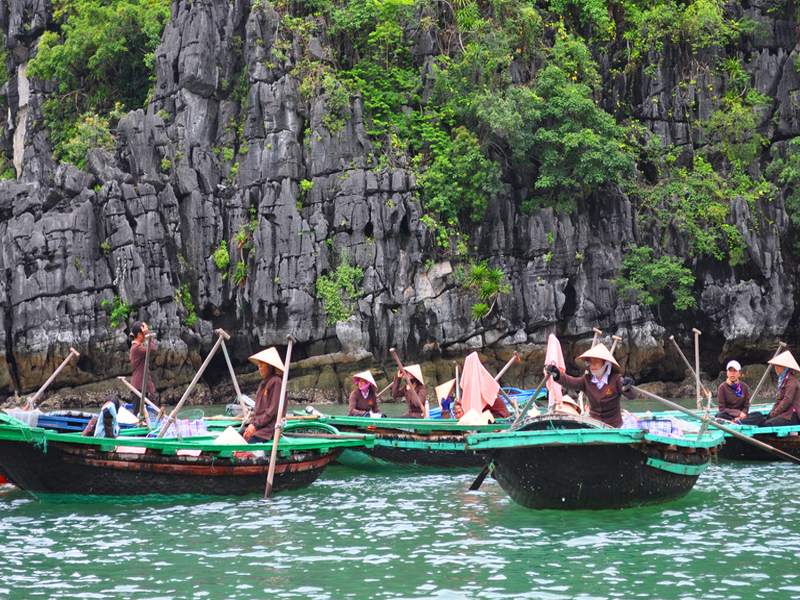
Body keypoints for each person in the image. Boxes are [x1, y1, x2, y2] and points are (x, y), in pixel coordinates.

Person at [545, 343, 634, 428]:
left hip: (614, 426)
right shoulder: (586, 380)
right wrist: (556, 374)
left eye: (596, 362)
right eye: (591, 362)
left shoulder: (616, 379)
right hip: (594, 425)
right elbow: (570, 382)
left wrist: (627, 386)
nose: (592, 365)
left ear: (605, 364)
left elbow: (631, 395)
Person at [741, 350, 800, 427]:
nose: (775, 368)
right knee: (759, 416)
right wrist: (771, 413)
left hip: (792, 416)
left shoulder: (791, 382)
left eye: (777, 366)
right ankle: (741, 422)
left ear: (784, 368)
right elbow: (779, 400)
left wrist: (774, 414)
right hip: (785, 413)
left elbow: (787, 401)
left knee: (766, 424)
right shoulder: (784, 381)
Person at [243, 347, 286, 443]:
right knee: (238, 434)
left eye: (262, 365)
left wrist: (255, 426)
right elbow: (258, 410)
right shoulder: (263, 384)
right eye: (259, 365)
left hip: (268, 430)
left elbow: (271, 411)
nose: (260, 368)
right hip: (259, 426)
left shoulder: (276, 382)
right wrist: (252, 424)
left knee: (247, 442)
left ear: (270, 367)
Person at [129, 321, 157, 415]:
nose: (144, 336)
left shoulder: (138, 347)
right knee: (138, 415)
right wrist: (147, 333)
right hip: (139, 387)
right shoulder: (136, 348)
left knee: (152, 411)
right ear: (139, 334)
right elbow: (153, 348)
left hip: (143, 385)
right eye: (143, 333)